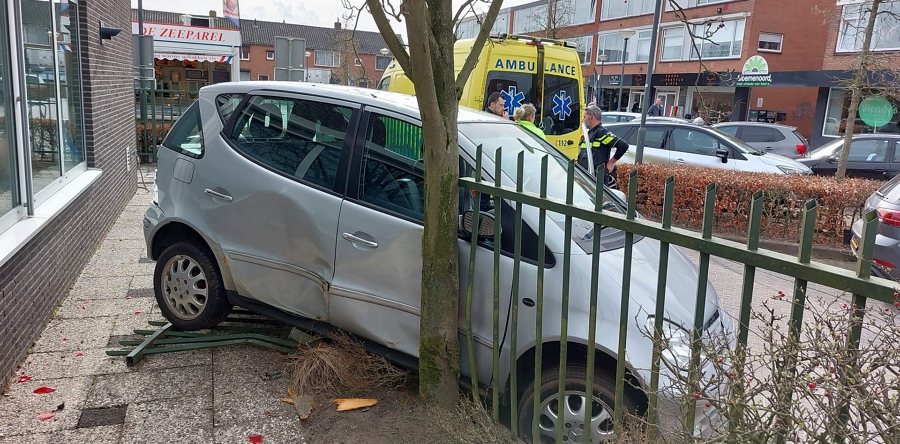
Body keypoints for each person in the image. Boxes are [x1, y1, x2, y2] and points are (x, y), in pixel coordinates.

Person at [577, 105, 629, 188]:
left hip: (597, 177)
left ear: (592, 117)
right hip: (585, 176)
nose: (583, 120)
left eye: (584, 117)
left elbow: (623, 146)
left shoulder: (602, 133)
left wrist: (611, 163)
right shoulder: (590, 133)